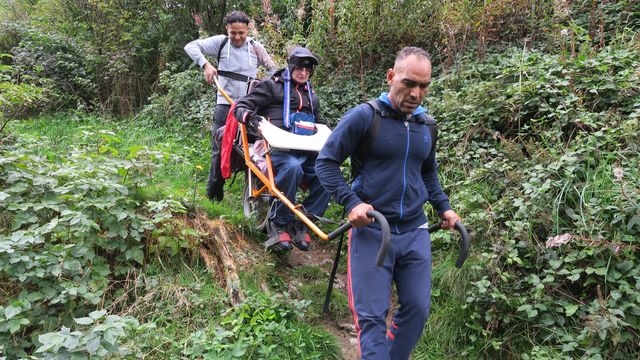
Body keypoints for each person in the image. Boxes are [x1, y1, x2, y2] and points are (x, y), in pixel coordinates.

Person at [315, 47, 462, 360]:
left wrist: (444, 207)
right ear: (391, 76)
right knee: (371, 318)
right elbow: (325, 163)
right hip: (372, 231)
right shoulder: (365, 117)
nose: (416, 93)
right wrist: (351, 202)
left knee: (418, 310)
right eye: (409, 83)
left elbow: (427, 174)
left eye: (424, 86)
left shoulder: (427, 126)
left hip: (414, 230)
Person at [233, 46, 330, 252]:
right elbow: (241, 106)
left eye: (308, 69)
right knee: (292, 167)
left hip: (306, 148)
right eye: (299, 68)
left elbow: (319, 124)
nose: (303, 73)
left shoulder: (312, 96)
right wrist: (250, 117)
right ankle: (278, 222)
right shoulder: (271, 86)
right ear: (290, 65)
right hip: (274, 147)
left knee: (328, 175)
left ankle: (302, 221)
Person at [184, 10, 276, 201]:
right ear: (227, 30)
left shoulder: (255, 47)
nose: (237, 37)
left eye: (241, 33)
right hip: (225, 105)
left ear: (248, 29)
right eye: (233, 33)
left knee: (254, 152)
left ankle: (253, 196)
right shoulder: (221, 42)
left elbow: (273, 69)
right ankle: (214, 197)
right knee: (220, 150)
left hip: (249, 109)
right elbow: (191, 46)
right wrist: (206, 65)